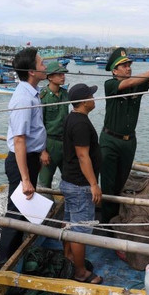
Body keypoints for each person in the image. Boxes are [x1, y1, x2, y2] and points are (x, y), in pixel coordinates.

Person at [100, 46, 149, 223]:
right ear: (114, 70)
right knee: (108, 186)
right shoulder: (110, 84)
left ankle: (116, 220)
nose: (128, 67)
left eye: (129, 64)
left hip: (129, 142)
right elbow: (128, 83)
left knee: (120, 184)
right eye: (124, 65)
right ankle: (106, 225)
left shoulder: (137, 85)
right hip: (110, 141)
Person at [0, 47, 48, 265]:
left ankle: (14, 258)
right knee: (16, 214)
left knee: (23, 211)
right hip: (21, 162)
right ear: (31, 71)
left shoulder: (32, 94)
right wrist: (25, 179)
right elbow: (19, 140)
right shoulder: (23, 99)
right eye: (41, 64)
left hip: (30, 159)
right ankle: (3, 263)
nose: (45, 67)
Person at [60, 83, 103, 284]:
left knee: (69, 222)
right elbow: (83, 156)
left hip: (69, 181)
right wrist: (93, 184)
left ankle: (68, 256)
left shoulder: (72, 118)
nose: (94, 99)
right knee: (80, 230)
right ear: (85, 101)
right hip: (79, 186)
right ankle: (80, 272)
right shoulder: (81, 124)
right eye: (91, 96)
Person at [37, 61, 69, 188]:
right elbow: (39, 126)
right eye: (59, 74)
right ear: (50, 77)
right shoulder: (43, 97)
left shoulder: (65, 94)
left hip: (65, 142)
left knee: (69, 178)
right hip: (50, 143)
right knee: (45, 181)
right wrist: (42, 151)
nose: (63, 77)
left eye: (63, 74)